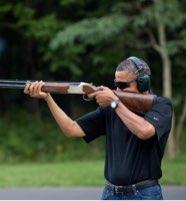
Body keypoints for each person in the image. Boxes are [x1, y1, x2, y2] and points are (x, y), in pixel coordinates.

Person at [24, 56, 173, 200]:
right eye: (116, 84)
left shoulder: (160, 105)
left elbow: (145, 131)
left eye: (123, 85)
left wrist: (114, 103)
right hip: (110, 193)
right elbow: (71, 129)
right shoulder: (111, 108)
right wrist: (48, 98)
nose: (117, 89)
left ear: (143, 83)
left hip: (143, 194)